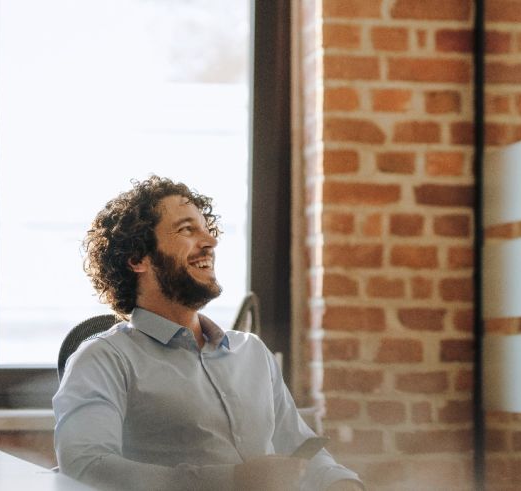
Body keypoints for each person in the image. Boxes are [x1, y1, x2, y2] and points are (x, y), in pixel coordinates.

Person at [53, 176, 364, 491]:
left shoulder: (252, 352)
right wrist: (233, 480)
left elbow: (300, 448)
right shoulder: (103, 359)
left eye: (206, 229)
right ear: (137, 259)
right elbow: (85, 467)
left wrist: (343, 483)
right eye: (187, 230)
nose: (210, 242)